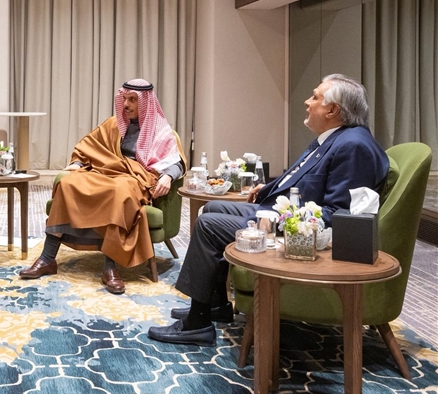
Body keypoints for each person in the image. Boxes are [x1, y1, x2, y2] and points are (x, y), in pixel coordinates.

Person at [147, 73, 389, 347]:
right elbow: (301, 176)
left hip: (300, 234)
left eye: (315, 97)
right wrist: (267, 188)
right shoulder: (336, 139)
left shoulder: (353, 146)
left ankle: (197, 324)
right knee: (212, 207)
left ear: (333, 110)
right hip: (280, 212)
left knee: (209, 225)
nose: (307, 102)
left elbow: (338, 214)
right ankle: (215, 304)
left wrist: (278, 218)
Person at [19, 79, 185, 294]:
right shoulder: (114, 124)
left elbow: (177, 161)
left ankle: (110, 267)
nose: (126, 104)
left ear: (145, 102)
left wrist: (168, 176)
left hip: (135, 178)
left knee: (118, 192)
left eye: (132, 100)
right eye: (125, 99)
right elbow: (89, 147)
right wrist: (77, 164)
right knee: (67, 183)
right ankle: (47, 258)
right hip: (105, 171)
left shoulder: (161, 130)